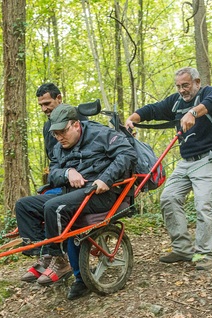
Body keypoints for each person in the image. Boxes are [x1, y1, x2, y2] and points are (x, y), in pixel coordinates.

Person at [16, 103, 137, 299]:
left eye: (63, 132)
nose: (59, 137)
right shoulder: (58, 146)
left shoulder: (101, 134)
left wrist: (106, 179)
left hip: (101, 192)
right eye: (55, 134)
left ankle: (59, 259)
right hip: (71, 192)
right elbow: (53, 172)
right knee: (24, 205)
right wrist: (67, 172)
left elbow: (127, 154)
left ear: (76, 125)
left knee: (54, 207)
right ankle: (47, 256)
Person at [125, 67, 212, 270]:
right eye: (179, 86)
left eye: (186, 85)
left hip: (210, 159)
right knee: (169, 198)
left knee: (203, 204)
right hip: (187, 161)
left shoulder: (208, 93)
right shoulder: (176, 101)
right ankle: (182, 248)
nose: (182, 90)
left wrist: (193, 112)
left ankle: (205, 254)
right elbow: (153, 110)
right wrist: (132, 119)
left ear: (197, 82)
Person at [22, 83, 88, 284]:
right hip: (60, 177)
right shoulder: (46, 126)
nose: (44, 109)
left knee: (61, 214)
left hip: (81, 180)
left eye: (47, 103)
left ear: (59, 98)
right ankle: (47, 255)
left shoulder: (77, 120)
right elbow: (53, 158)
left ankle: (79, 277)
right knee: (28, 206)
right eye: (40, 105)